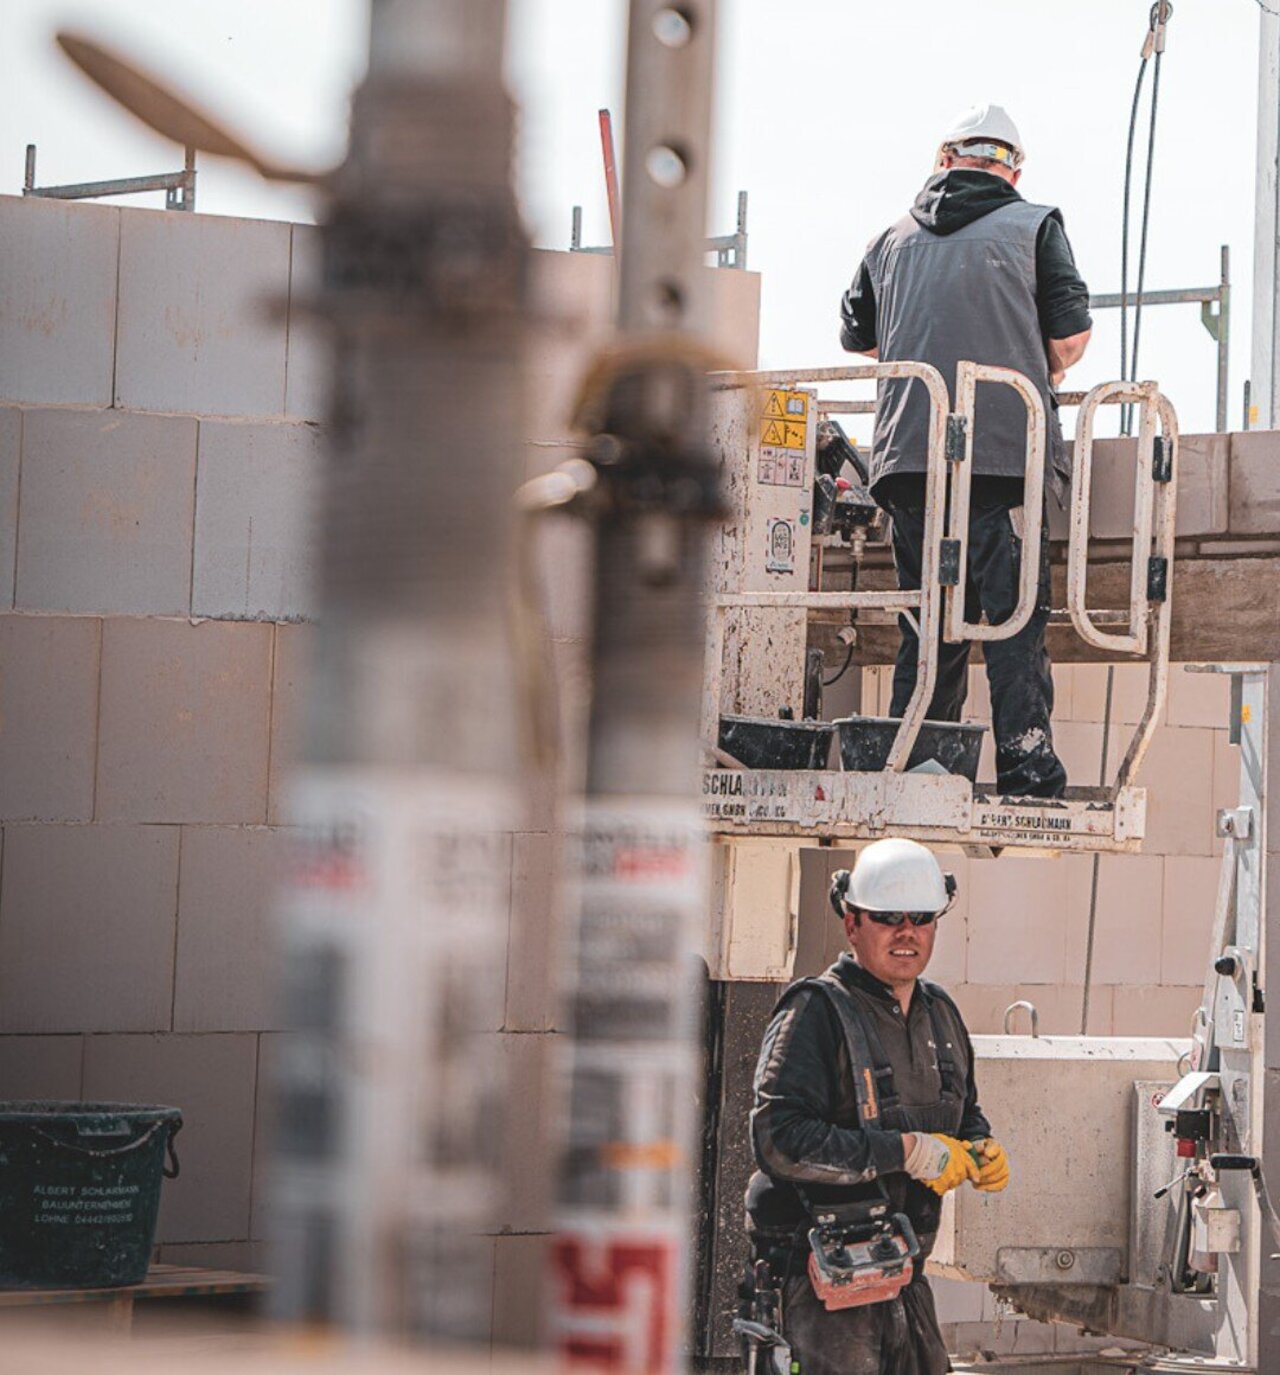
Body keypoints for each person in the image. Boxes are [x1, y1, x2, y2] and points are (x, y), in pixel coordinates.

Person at [839, 104, 1093, 798]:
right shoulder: (1034, 225)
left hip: (907, 459)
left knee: (929, 621)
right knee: (1011, 621)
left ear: (944, 158)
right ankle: (1026, 764)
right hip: (1005, 456)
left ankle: (923, 764)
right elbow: (1069, 338)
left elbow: (861, 335)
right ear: (1013, 167)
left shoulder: (888, 240)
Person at [743, 838, 1008, 1375]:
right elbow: (780, 1139)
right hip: (819, 1290)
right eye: (887, 917)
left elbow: (963, 1110)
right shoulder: (814, 1012)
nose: (906, 931)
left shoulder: (941, 1015)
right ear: (852, 923)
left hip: (903, 1280)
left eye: (921, 917)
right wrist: (906, 1152)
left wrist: (978, 1143)